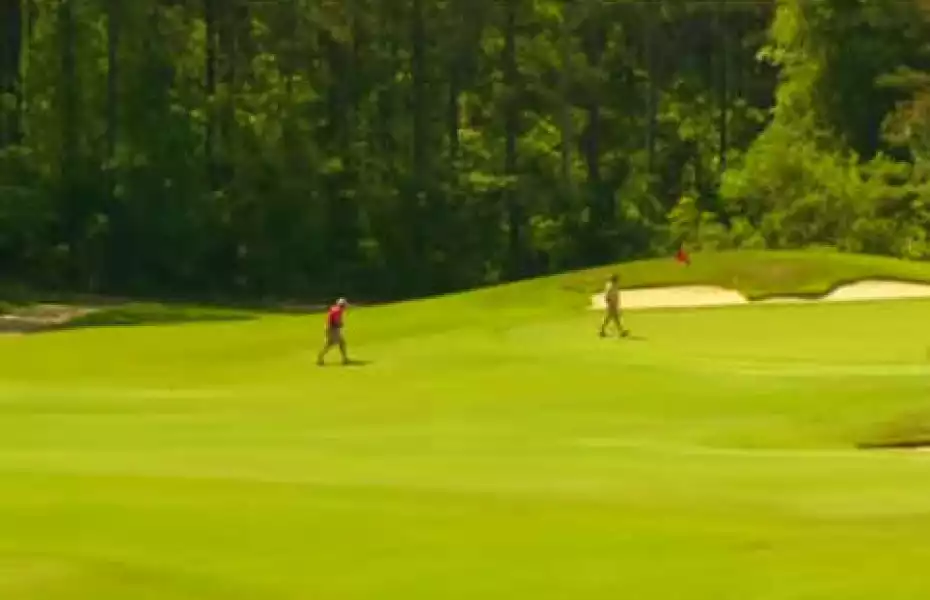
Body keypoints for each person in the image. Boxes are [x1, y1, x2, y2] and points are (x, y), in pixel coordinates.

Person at [317, 297, 349, 365]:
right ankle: (320, 357)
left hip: (330, 328)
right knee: (331, 344)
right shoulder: (338, 311)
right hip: (332, 329)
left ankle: (344, 358)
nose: (346, 306)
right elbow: (336, 322)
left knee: (341, 343)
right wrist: (340, 324)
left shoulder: (335, 309)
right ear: (342, 305)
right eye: (345, 305)